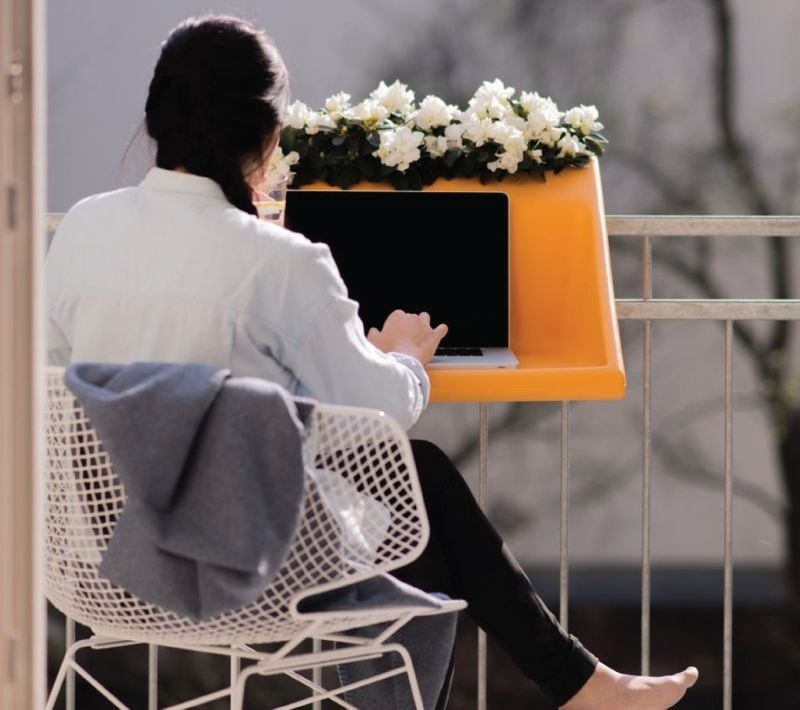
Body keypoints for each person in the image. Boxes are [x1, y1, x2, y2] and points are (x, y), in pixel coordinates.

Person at [45, 14, 699, 709]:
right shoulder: (279, 262)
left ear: (155, 120)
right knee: (422, 486)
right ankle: (576, 685)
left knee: (420, 492)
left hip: (98, 561)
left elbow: (50, 383)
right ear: (269, 134)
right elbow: (375, 416)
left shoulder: (84, 227)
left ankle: (580, 684)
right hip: (243, 565)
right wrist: (403, 358)